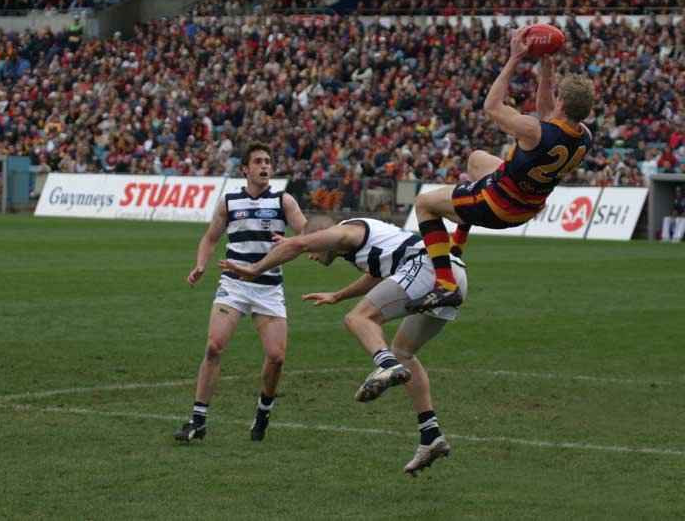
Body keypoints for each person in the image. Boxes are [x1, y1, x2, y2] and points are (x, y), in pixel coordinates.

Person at [219, 215, 467, 474]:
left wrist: (255, 269)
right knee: (404, 351)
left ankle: (385, 366)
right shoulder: (362, 242)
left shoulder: (345, 232)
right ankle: (431, 436)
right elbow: (377, 274)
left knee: (358, 318)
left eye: (314, 249)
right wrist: (338, 295)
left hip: (428, 269)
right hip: (452, 274)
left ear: (323, 237)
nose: (312, 257)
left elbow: (300, 245)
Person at [409, 26, 594, 312]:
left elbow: (492, 106)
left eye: (557, 96)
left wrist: (515, 58)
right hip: (528, 203)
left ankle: (445, 285)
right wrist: (546, 70)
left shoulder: (533, 131)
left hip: (497, 204)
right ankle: (458, 242)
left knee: (424, 205)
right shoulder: (584, 136)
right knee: (477, 160)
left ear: (563, 102)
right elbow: (549, 117)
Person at [174, 141, 306, 443]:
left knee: (276, 357)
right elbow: (209, 238)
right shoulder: (229, 202)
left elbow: (307, 233)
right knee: (213, 347)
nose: (265, 166)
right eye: (258, 161)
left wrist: (292, 243)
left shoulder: (283, 201)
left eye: (268, 161)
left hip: (268, 288)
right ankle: (197, 422)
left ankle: (263, 412)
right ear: (245, 168)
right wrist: (201, 265)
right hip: (233, 285)